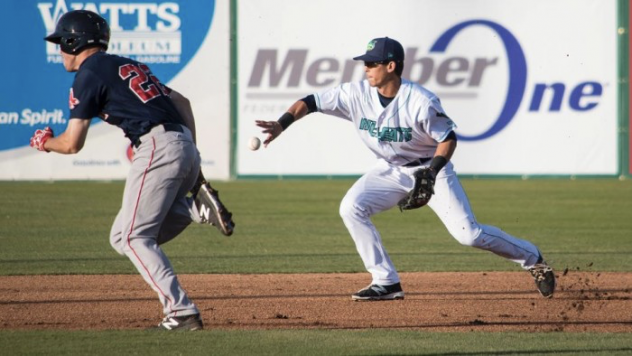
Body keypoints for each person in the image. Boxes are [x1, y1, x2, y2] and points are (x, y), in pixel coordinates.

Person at [256, 37, 556, 301]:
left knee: (470, 235)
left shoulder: (420, 101)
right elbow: (310, 102)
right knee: (351, 207)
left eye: (372, 63)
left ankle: (534, 259)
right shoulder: (356, 94)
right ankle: (386, 281)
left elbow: (448, 139)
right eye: (366, 63)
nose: (366, 68)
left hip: (429, 168)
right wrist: (282, 124)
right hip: (388, 170)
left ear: (391, 66)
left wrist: (432, 172)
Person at [32, 10, 234, 330]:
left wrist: (45, 142)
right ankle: (195, 208)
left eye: (61, 43)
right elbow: (182, 101)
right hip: (183, 144)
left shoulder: (88, 73)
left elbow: (71, 144)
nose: (59, 50)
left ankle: (181, 311)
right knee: (120, 236)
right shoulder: (127, 65)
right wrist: (191, 154)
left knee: (133, 237)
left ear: (75, 41)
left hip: (156, 147)